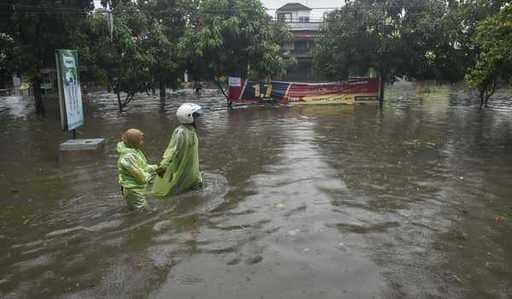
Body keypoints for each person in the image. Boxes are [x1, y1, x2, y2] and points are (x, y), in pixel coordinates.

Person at [153, 103, 203, 197]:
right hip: (183, 166)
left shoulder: (191, 130)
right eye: (195, 116)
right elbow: (173, 150)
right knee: (179, 190)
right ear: (188, 116)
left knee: (193, 188)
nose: (197, 118)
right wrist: (164, 166)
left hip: (191, 166)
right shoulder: (181, 133)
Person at [117, 129, 157, 210]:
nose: (142, 142)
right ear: (133, 142)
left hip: (136, 187)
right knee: (144, 211)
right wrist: (150, 176)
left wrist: (155, 168)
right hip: (132, 189)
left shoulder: (134, 151)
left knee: (141, 209)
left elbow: (142, 166)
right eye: (140, 140)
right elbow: (139, 175)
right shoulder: (128, 157)